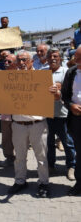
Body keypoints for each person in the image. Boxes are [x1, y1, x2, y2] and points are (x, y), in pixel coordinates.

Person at [6, 51, 50, 197]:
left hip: (37, 123)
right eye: (18, 60)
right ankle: (20, 181)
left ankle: (44, 182)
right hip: (18, 124)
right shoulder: (10, 78)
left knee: (41, 156)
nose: (21, 63)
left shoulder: (42, 77)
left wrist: (54, 91)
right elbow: (3, 97)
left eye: (24, 60)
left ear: (32, 61)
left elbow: (53, 97)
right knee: (19, 156)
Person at [45, 48, 76, 180]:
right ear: (46, 59)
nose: (53, 58)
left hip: (63, 114)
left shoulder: (66, 73)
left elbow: (71, 92)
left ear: (60, 58)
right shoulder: (42, 73)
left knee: (67, 142)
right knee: (49, 142)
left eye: (56, 56)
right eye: (50, 56)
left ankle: (71, 167)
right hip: (46, 114)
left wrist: (60, 94)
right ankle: (51, 166)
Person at [62, 46, 81, 196]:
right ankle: (79, 184)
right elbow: (65, 95)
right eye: (77, 60)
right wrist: (70, 105)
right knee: (79, 152)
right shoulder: (72, 72)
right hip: (76, 119)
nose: (78, 63)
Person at [0, 54, 17, 167]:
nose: (6, 63)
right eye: (5, 61)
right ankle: (9, 157)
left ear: (15, 63)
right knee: (6, 138)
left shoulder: (23, 76)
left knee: (19, 139)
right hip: (6, 113)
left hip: (19, 113)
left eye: (9, 62)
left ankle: (20, 158)